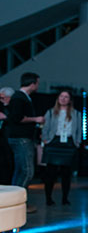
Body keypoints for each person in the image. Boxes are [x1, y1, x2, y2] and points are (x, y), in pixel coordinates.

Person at [6, 73, 43, 213]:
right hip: (21, 138)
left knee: (20, 171)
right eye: (37, 83)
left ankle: (14, 203)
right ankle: (17, 203)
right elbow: (16, 118)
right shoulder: (19, 98)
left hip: (20, 137)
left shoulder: (21, 98)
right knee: (27, 171)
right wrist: (35, 119)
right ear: (32, 84)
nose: (38, 86)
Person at [41, 91, 81, 206]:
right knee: (50, 173)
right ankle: (48, 198)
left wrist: (77, 142)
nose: (63, 99)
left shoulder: (76, 114)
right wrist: (45, 139)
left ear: (70, 100)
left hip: (68, 143)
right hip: (54, 142)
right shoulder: (50, 112)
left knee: (66, 173)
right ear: (58, 98)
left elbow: (79, 129)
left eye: (66, 97)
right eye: (61, 96)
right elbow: (45, 128)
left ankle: (65, 198)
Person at [0, 87, 15, 185]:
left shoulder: (13, 108)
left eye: (2, 98)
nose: (1, 100)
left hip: (8, 139)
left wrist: (5, 117)